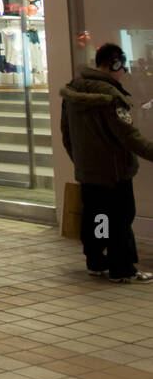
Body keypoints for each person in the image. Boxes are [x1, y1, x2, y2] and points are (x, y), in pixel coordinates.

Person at [61, 42, 153, 283]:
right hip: (114, 173)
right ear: (115, 64)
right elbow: (128, 135)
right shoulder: (111, 97)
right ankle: (122, 269)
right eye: (124, 66)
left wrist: (80, 160)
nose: (125, 73)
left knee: (98, 217)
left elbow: (66, 133)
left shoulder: (73, 91)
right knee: (121, 218)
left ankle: (97, 261)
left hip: (89, 172)